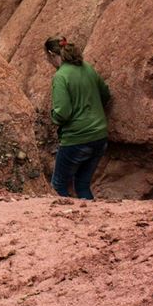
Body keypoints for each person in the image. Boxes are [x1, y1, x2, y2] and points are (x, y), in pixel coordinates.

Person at [45, 36, 111, 200]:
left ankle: (62, 224)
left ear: (51, 54)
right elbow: (106, 94)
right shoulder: (87, 68)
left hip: (76, 139)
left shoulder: (61, 76)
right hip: (100, 137)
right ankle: (92, 221)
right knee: (82, 185)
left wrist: (53, 116)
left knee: (58, 186)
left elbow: (62, 113)